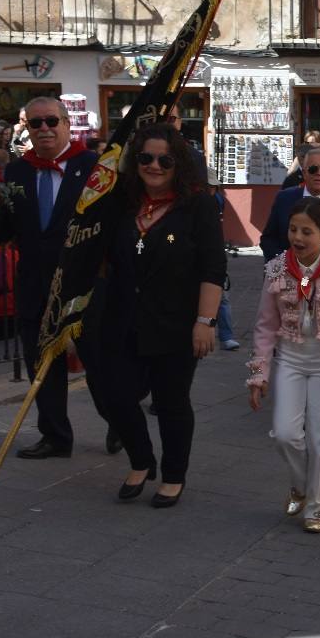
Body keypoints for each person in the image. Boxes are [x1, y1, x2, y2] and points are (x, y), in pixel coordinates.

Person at [101, 123, 225, 507]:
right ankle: (141, 460)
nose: (154, 166)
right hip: (123, 320)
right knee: (115, 396)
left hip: (177, 323)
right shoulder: (122, 202)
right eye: (146, 158)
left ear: (178, 164)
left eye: (164, 160)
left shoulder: (198, 205)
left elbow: (213, 267)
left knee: (171, 403)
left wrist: (205, 322)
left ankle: (173, 475)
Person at [0, 96, 109, 459]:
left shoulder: (94, 167)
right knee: (41, 363)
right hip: (35, 285)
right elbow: (4, 227)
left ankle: (119, 422)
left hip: (84, 286)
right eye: (36, 123)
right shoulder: (17, 172)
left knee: (99, 363)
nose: (45, 129)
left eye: (52, 121)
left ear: (66, 124)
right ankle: (55, 436)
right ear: (27, 129)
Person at [248, 198, 320, 532]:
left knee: (319, 435)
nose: (297, 237)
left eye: (306, 231)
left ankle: (317, 504)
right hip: (290, 357)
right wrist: (259, 374)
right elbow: (265, 325)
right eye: (293, 230)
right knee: (285, 434)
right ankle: (300, 485)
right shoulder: (277, 268)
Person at [206, 170, 241, 350]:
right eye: (207, 187)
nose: (210, 190)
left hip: (214, 251)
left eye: (212, 187)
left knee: (222, 297)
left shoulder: (217, 201)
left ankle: (226, 337)